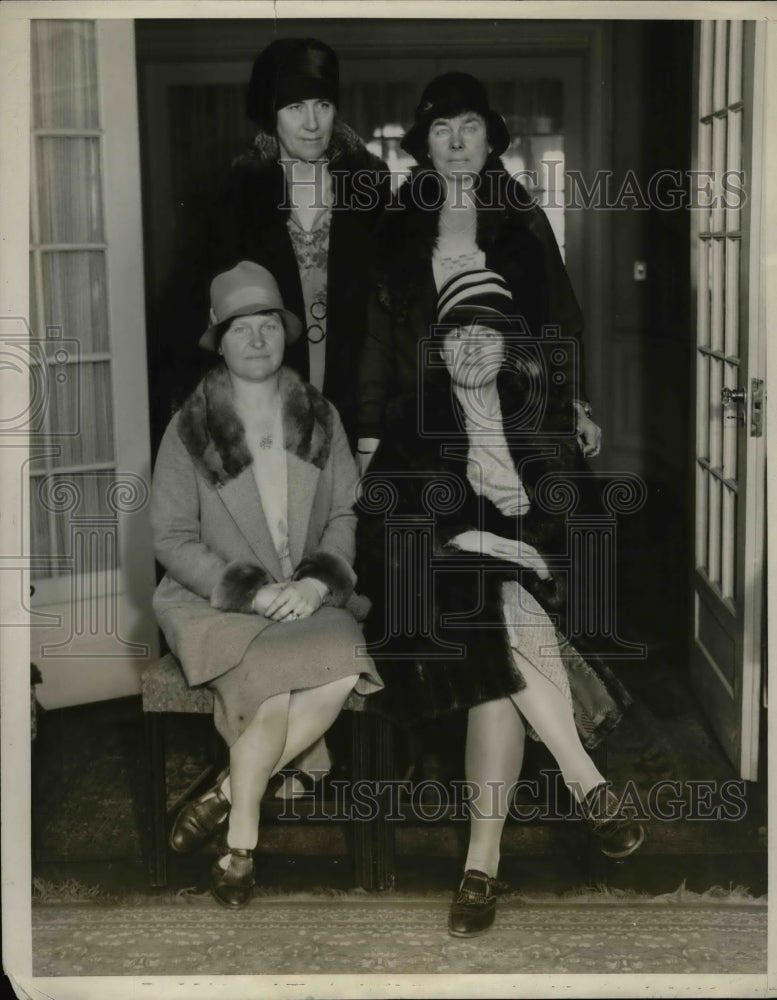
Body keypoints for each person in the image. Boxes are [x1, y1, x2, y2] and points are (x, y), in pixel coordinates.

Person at [356, 271, 644, 938]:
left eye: (487, 335)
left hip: (521, 604)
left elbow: (580, 527)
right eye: (458, 336)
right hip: (425, 604)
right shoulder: (409, 419)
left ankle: (478, 869)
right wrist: (477, 532)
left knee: (496, 657)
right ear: (440, 348)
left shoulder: (538, 417)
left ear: (509, 348)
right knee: (490, 604)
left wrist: (530, 517)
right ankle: (586, 783)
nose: (471, 349)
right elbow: (376, 530)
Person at [150, 261, 383, 908]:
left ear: (286, 334)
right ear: (218, 341)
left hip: (306, 594)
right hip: (216, 603)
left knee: (341, 667)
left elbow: (343, 514)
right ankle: (243, 842)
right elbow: (170, 539)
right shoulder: (188, 429)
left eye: (268, 326)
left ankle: (226, 793)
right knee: (275, 695)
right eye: (239, 329)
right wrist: (250, 592)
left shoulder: (320, 416)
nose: (256, 339)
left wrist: (315, 584)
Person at [357, 70, 601, 470]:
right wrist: (369, 436)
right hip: (421, 428)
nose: (456, 142)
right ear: (426, 147)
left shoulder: (523, 219)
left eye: (469, 127)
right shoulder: (397, 225)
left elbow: (561, 321)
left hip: (513, 425)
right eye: (441, 129)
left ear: (488, 142)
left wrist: (575, 404)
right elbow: (377, 340)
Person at [223, 36, 390, 447]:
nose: (312, 123)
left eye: (323, 105)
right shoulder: (237, 196)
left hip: (359, 407)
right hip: (263, 412)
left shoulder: (372, 190)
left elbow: (391, 317)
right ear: (271, 114)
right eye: (295, 107)